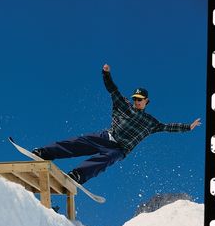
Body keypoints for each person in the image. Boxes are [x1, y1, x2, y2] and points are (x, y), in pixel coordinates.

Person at [32, 64, 201, 185]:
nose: (137, 102)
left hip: (120, 149)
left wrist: (188, 126)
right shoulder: (124, 105)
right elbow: (113, 90)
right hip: (107, 136)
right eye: (135, 99)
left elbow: (167, 127)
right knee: (78, 142)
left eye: (140, 100)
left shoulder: (151, 122)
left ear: (147, 101)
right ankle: (44, 152)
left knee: (107, 158)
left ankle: (78, 175)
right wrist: (106, 75)